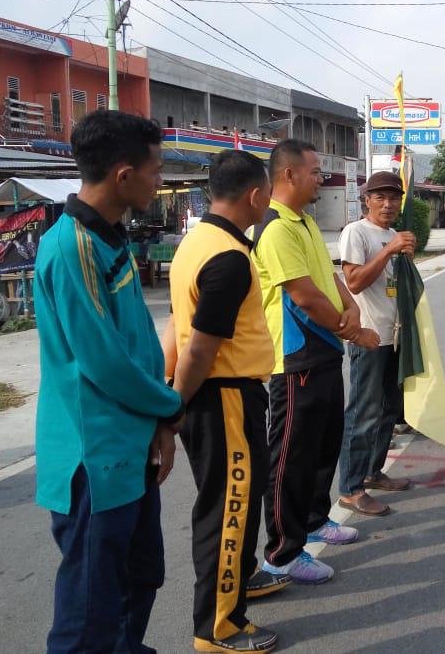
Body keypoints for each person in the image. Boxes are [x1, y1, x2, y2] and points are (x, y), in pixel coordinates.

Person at [34, 110, 185, 653]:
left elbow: (138, 344)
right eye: (156, 169)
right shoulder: (71, 245)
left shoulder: (111, 239)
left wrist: (157, 428)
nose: (160, 181)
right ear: (123, 175)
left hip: (129, 447)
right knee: (89, 616)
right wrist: (170, 408)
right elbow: (105, 362)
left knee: (139, 581)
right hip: (92, 461)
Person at [166, 150, 280, 652]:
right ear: (256, 196)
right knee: (228, 507)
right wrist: (173, 406)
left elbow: (177, 325)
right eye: (268, 193)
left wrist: (169, 391)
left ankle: (240, 576)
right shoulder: (228, 258)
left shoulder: (201, 240)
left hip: (225, 394)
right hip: (225, 396)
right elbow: (200, 346)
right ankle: (219, 626)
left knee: (239, 499)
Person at [252, 140, 378, 587]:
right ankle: (282, 553)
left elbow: (328, 278)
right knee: (290, 456)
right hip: (295, 357)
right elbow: (302, 295)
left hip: (323, 352)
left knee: (324, 444)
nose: (319, 179)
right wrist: (354, 330)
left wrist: (352, 305)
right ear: (287, 175)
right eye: (313, 171)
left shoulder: (301, 221)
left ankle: (314, 519)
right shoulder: (274, 228)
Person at [337, 171, 415, 517]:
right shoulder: (356, 232)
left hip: (394, 335)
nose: (388, 204)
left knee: (388, 411)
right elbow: (353, 282)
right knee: (363, 412)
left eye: (393, 197)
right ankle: (351, 489)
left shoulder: (393, 235)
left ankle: (373, 471)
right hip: (368, 336)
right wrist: (391, 251)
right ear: (366, 200)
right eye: (380, 197)